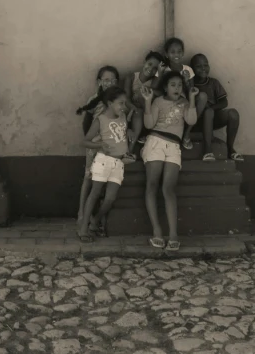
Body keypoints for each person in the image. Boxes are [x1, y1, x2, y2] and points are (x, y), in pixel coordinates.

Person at [141, 71, 198, 251]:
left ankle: (173, 234)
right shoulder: (158, 102)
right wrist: (148, 102)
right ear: (165, 87)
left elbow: (192, 119)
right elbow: (149, 125)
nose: (177, 88)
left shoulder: (184, 103)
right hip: (156, 142)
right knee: (152, 184)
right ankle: (157, 231)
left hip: (174, 146)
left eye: (179, 85)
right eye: (173, 85)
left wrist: (192, 98)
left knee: (168, 188)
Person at [78, 87, 132, 242]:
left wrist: (129, 132)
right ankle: (84, 229)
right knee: (95, 193)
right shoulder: (100, 120)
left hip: (118, 162)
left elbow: (123, 132)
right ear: (110, 103)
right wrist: (100, 145)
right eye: (120, 103)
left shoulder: (122, 116)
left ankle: (95, 220)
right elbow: (85, 141)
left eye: (124, 103)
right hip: (103, 161)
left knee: (110, 198)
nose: (123, 106)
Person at [75, 65, 120, 226]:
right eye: (106, 80)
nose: (109, 83)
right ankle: (81, 213)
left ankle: (98, 219)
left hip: (112, 147)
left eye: (113, 80)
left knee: (105, 181)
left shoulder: (118, 101)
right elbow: (86, 125)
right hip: (95, 145)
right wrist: (91, 144)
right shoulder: (94, 100)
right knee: (89, 177)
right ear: (99, 82)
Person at [190, 54, 243, 162]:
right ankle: (208, 150)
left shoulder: (214, 83)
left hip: (211, 120)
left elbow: (224, 102)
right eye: (199, 66)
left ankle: (230, 149)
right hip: (194, 121)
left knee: (233, 114)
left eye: (206, 65)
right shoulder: (190, 84)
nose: (203, 68)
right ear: (192, 69)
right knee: (208, 112)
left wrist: (212, 108)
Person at [159, 37, 197, 150]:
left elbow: (192, 90)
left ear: (183, 52)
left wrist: (186, 81)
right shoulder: (164, 70)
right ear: (166, 54)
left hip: (184, 99)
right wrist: (160, 74)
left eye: (179, 51)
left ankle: (186, 134)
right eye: (172, 52)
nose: (177, 54)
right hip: (168, 99)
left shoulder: (188, 70)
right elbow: (158, 87)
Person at [123, 51, 165, 154]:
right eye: (149, 64)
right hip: (131, 108)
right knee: (137, 112)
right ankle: (129, 150)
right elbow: (126, 98)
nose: (150, 69)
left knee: (144, 97)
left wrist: (159, 73)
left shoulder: (154, 81)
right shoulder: (131, 77)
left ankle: (130, 150)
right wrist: (133, 108)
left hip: (145, 111)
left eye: (155, 68)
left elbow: (157, 92)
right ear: (144, 62)